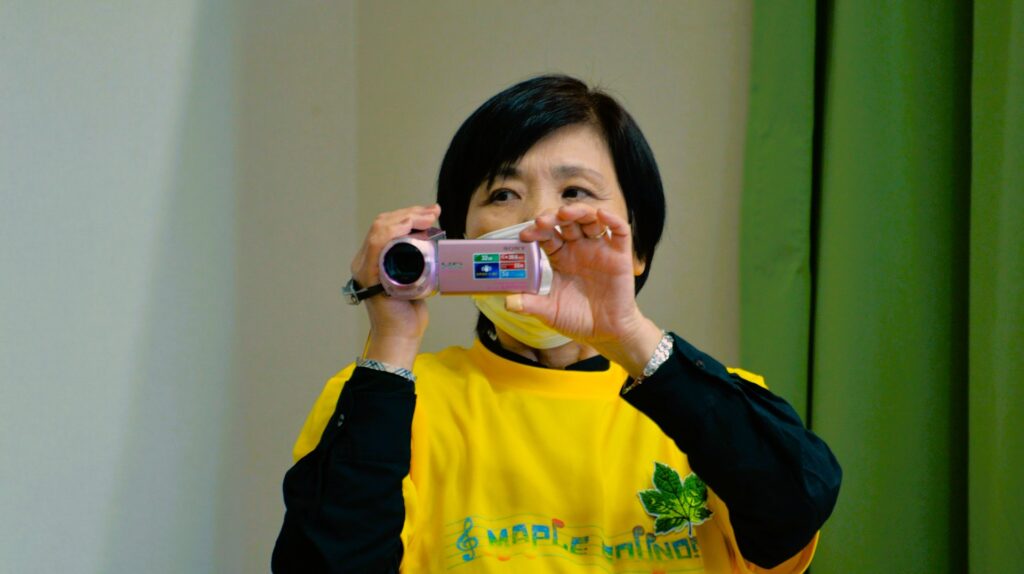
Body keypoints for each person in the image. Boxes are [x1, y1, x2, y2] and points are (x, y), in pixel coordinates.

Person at [271, 75, 841, 573]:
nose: (539, 222)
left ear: (637, 248)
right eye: (503, 193)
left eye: (575, 193)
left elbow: (795, 511)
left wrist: (627, 334)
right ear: (457, 243)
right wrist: (391, 338)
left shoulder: (712, 406)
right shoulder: (389, 401)